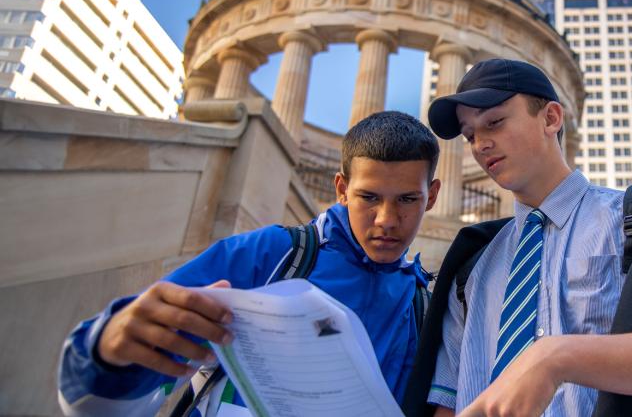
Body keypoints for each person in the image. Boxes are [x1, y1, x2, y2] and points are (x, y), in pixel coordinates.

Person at [403, 59, 632, 417]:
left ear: (550, 118)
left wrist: (556, 358)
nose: (481, 144)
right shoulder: (471, 267)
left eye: (494, 122)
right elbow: (447, 403)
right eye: (470, 135)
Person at [58, 111, 442, 416]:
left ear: (432, 196)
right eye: (369, 197)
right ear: (341, 190)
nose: (387, 220)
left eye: (408, 199)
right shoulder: (274, 254)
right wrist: (107, 354)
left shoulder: (423, 303)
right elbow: (121, 390)